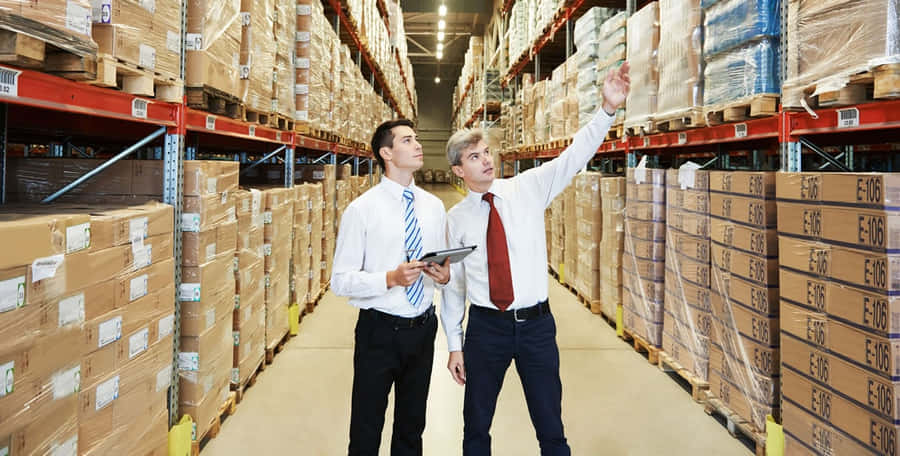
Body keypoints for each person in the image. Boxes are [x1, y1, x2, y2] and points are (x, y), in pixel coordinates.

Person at [440, 63, 631, 455]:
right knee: (476, 428)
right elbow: (454, 288)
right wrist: (455, 344)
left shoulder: (527, 189)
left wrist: (607, 109)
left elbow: (573, 157)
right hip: (486, 330)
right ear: (459, 170)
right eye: (474, 157)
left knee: (551, 428)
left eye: (487, 152)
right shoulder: (456, 219)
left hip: (536, 328)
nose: (486, 160)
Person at [332, 118, 452, 456]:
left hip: (423, 329)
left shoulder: (433, 207)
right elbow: (340, 280)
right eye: (407, 140)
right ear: (386, 153)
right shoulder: (362, 210)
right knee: (366, 427)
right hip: (379, 332)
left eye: (417, 139)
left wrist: (444, 277)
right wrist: (390, 278)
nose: (418, 145)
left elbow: (442, 266)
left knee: (412, 429)